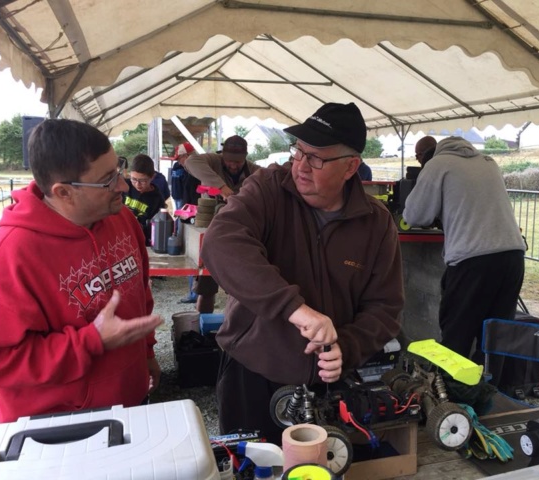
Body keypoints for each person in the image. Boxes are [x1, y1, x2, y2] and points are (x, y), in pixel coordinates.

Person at [200, 102, 404, 444]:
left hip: (330, 382)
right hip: (253, 370)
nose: (301, 166)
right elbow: (220, 242)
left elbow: (385, 308)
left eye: (317, 158)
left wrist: (348, 346)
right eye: (299, 152)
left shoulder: (377, 222)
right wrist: (296, 310)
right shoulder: (268, 187)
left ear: (351, 166)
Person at [0, 119, 162, 423]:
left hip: (130, 403)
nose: (123, 186)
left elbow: (140, 292)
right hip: (58, 424)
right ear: (63, 193)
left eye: (119, 170)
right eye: (108, 179)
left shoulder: (122, 219)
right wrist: (90, 341)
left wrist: (147, 354)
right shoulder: (7, 257)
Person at [403, 136, 526, 386]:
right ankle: (489, 397)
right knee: (495, 338)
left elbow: (415, 215)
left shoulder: (438, 165)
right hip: (513, 256)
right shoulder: (489, 162)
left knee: (456, 337)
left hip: (473, 261)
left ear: (427, 155)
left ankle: (452, 403)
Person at [185, 135, 261, 313]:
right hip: (212, 236)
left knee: (240, 292)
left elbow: (272, 177)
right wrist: (222, 188)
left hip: (239, 238)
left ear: (245, 158)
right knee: (206, 288)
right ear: (222, 154)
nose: (233, 165)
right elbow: (191, 162)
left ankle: (233, 333)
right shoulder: (213, 160)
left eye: (238, 162)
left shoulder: (253, 169)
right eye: (229, 161)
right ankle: (201, 333)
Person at [171, 141, 201, 303]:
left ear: (187, 156)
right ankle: (194, 292)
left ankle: (195, 293)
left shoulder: (195, 171)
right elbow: (178, 197)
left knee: (194, 255)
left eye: (180, 158)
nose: (179, 162)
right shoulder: (179, 170)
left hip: (195, 217)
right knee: (190, 254)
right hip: (186, 214)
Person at [123, 154, 166, 246]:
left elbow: (155, 229)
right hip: (121, 236)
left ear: (152, 177)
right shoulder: (124, 187)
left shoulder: (157, 199)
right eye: (134, 179)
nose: (137, 184)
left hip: (141, 241)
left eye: (143, 181)